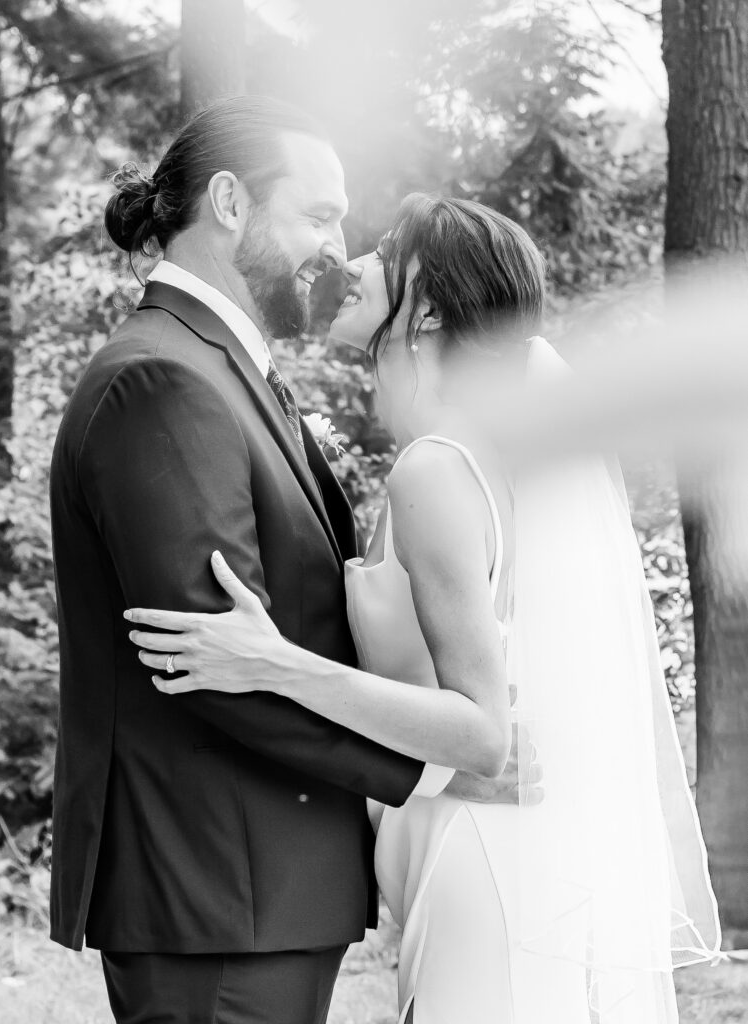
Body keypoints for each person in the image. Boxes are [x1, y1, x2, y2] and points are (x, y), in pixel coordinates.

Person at [127, 194, 722, 1023]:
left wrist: (271, 661)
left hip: (481, 856)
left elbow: (482, 735)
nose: (353, 263)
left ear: (431, 309)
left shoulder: (437, 470)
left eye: (383, 253)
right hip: (472, 844)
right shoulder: (462, 457)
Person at [49, 98, 524, 1024]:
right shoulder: (165, 379)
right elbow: (216, 665)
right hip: (215, 893)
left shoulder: (223, 370)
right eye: (317, 214)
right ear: (230, 202)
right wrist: (440, 766)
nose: (338, 248)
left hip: (258, 890)